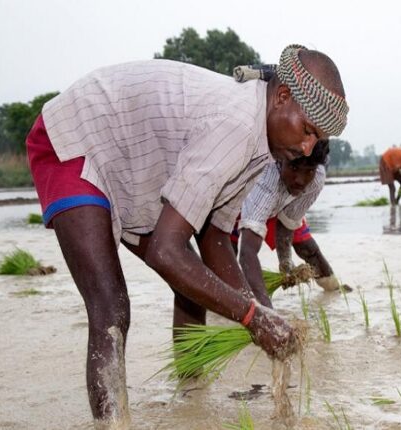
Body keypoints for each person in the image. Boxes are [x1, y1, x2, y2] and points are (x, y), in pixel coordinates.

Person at [25, 44, 348, 428]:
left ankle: (190, 394)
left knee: (190, 281)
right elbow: (166, 251)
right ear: (281, 96)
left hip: (137, 172)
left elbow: (214, 236)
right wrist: (252, 316)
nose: (308, 148)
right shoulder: (237, 125)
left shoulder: (264, 149)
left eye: (317, 139)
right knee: (111, 308)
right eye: (307, 130)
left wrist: (258, 313)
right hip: (79, 138)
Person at [231, 139, 347, 307]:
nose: (300, 179)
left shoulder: (316, 178)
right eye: (294, 168)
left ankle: (333, 288)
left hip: (281, 204)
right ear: (280, 160)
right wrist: (267, 315)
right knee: (228, 249)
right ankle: (229, 297)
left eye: (309, 171)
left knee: (308, 248)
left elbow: (289, 222)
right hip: (243, 203)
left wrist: (285, 262)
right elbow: (247, 251)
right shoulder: (266, 182)